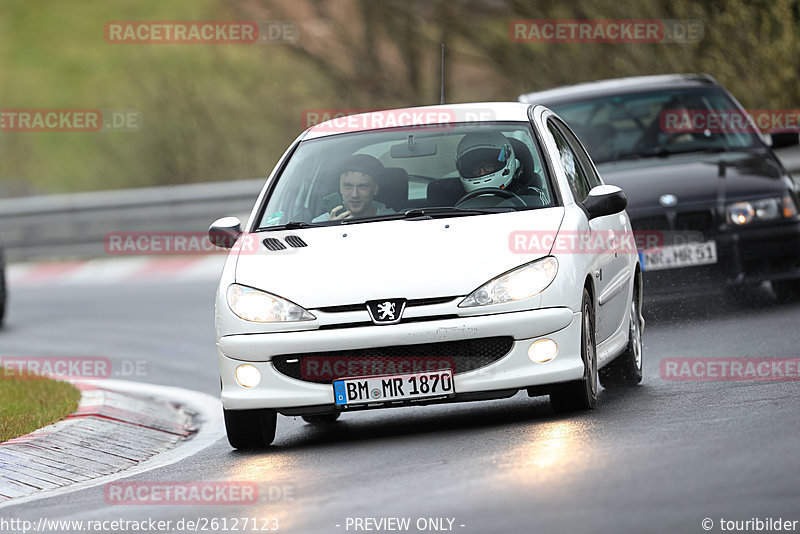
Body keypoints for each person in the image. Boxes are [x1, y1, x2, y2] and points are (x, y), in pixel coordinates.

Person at [455, 131, 548, 204]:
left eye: (488, 167)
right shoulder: (454, 201)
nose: (482, 173)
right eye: (475, 170)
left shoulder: (531, 196)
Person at [313, 154, 395, 222]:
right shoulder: (319, 223)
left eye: (362, 186)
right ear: (339, 188)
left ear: (375, 189)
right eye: (348, 186)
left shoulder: (393, 220)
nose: (354, 194)